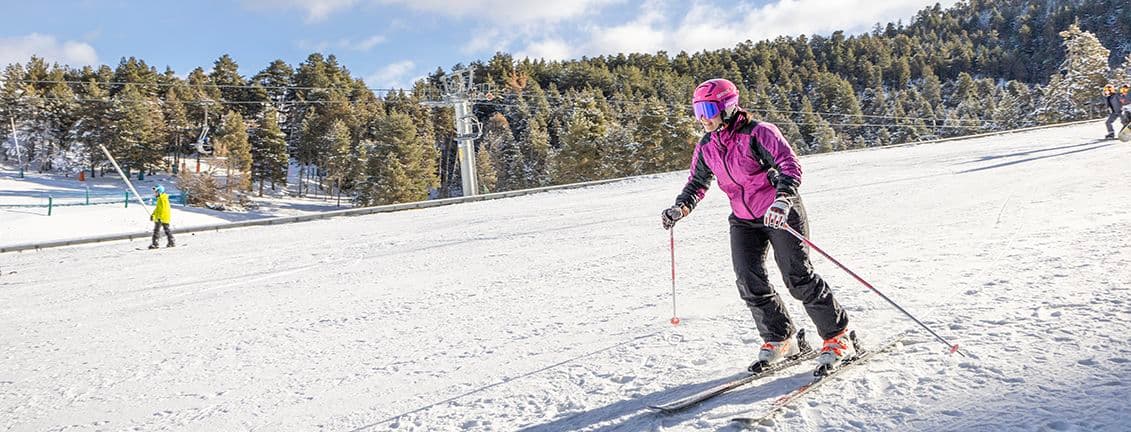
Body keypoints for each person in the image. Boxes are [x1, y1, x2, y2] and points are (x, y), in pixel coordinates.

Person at [661, 78, 854, 368]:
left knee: (797, 276)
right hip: (743, 218)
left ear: (726, 106)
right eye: (697, 110)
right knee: (748, 280)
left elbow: (789, 165)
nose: (703, 118)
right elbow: (698, 182)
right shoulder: (707, 146)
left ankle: (837, 337)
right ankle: (780, 338)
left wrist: (782, 200)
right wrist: (681, 207)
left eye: (708, 108)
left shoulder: (758, 133)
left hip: (779, 211)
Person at [149, 184, 175, 249]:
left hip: (163, 217)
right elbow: (157, 209)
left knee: (162, 230)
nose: (155, 194)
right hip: (160, 217)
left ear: (160, 192)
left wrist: (160, 217)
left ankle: (156, 243)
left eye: (156, 192)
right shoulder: (160, 199)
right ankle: (170, 241)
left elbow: (164, 209)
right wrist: (153, 214)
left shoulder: (163, 199)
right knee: (159, 230)